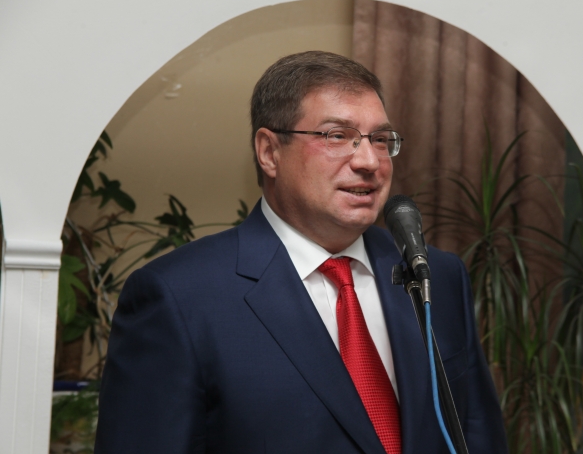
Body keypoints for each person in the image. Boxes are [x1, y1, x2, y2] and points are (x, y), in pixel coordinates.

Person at [95, 51, 507, 453]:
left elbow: (476, 434)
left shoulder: (435, 274)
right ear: (269, 152)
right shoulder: (179, 298)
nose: (369, 161)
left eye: (380, 140)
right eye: (337, 136)